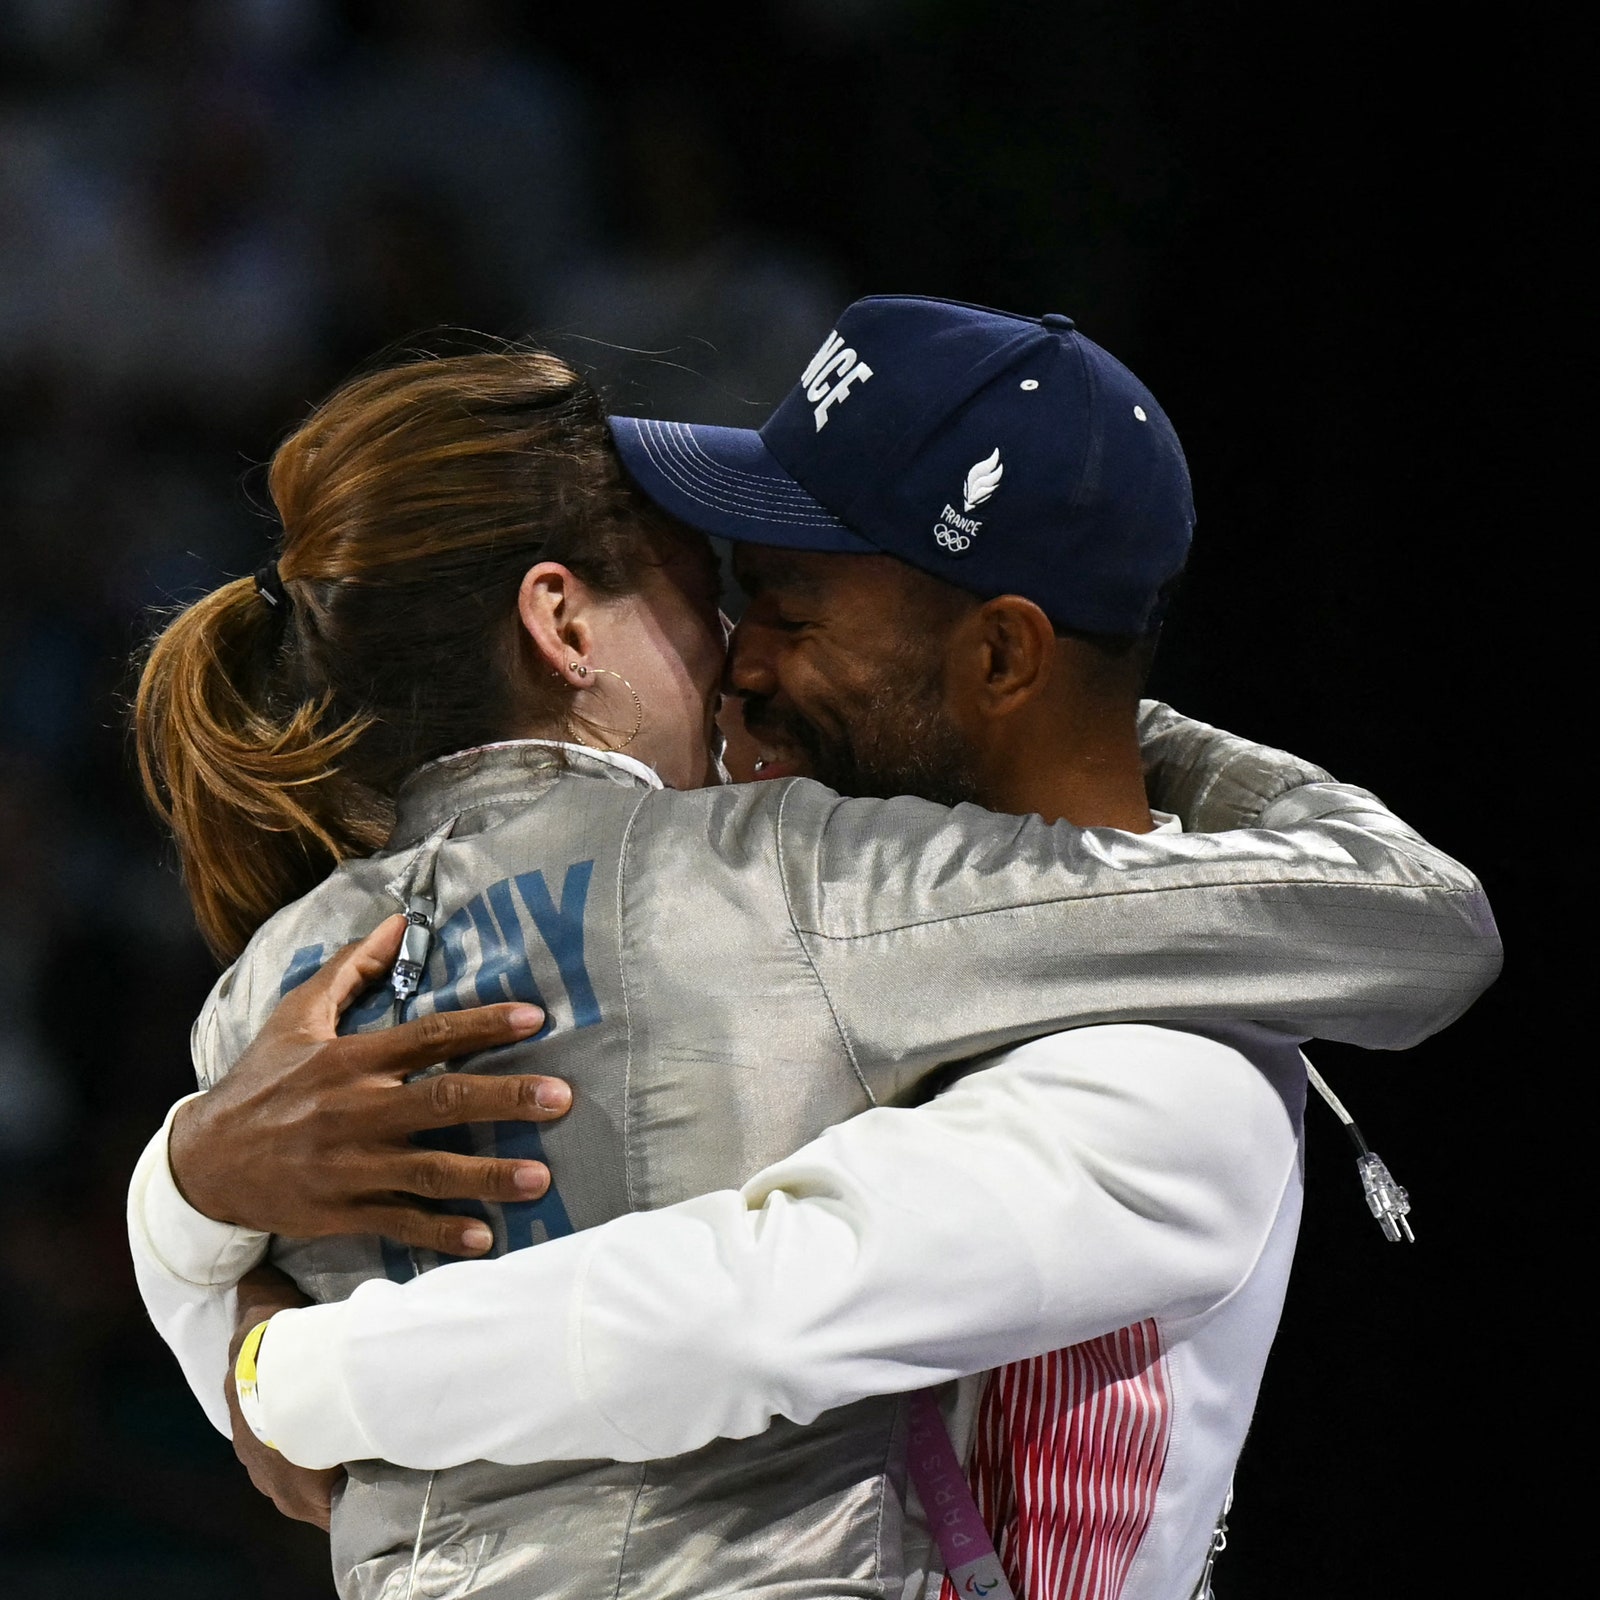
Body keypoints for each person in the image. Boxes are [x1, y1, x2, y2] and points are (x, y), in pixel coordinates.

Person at [128, 304, 1500, 1600]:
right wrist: (190, 1188)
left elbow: (742, 1309)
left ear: (1005, 655)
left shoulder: (1161, 1067)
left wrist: (284, 1367)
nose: (740, 665)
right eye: (731, 602)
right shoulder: (780, 907)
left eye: (789, 608)